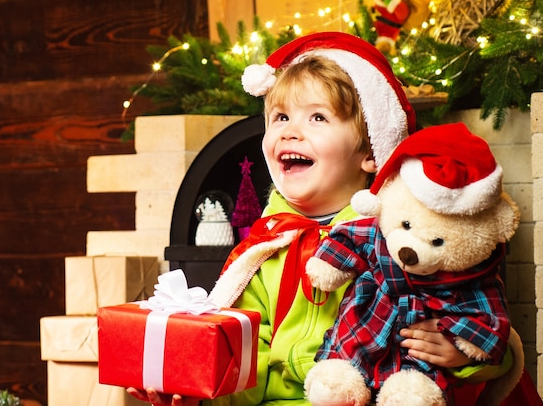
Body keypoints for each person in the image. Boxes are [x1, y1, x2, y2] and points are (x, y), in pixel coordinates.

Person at [127, 32, 522, 406]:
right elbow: (250, 359)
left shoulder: (402, 236)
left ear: (371, 152)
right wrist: (199, 388)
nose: (291, 132)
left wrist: (461, 356)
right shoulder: (266, 245)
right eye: (280, 117)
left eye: (317, 118)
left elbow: (488, 326)